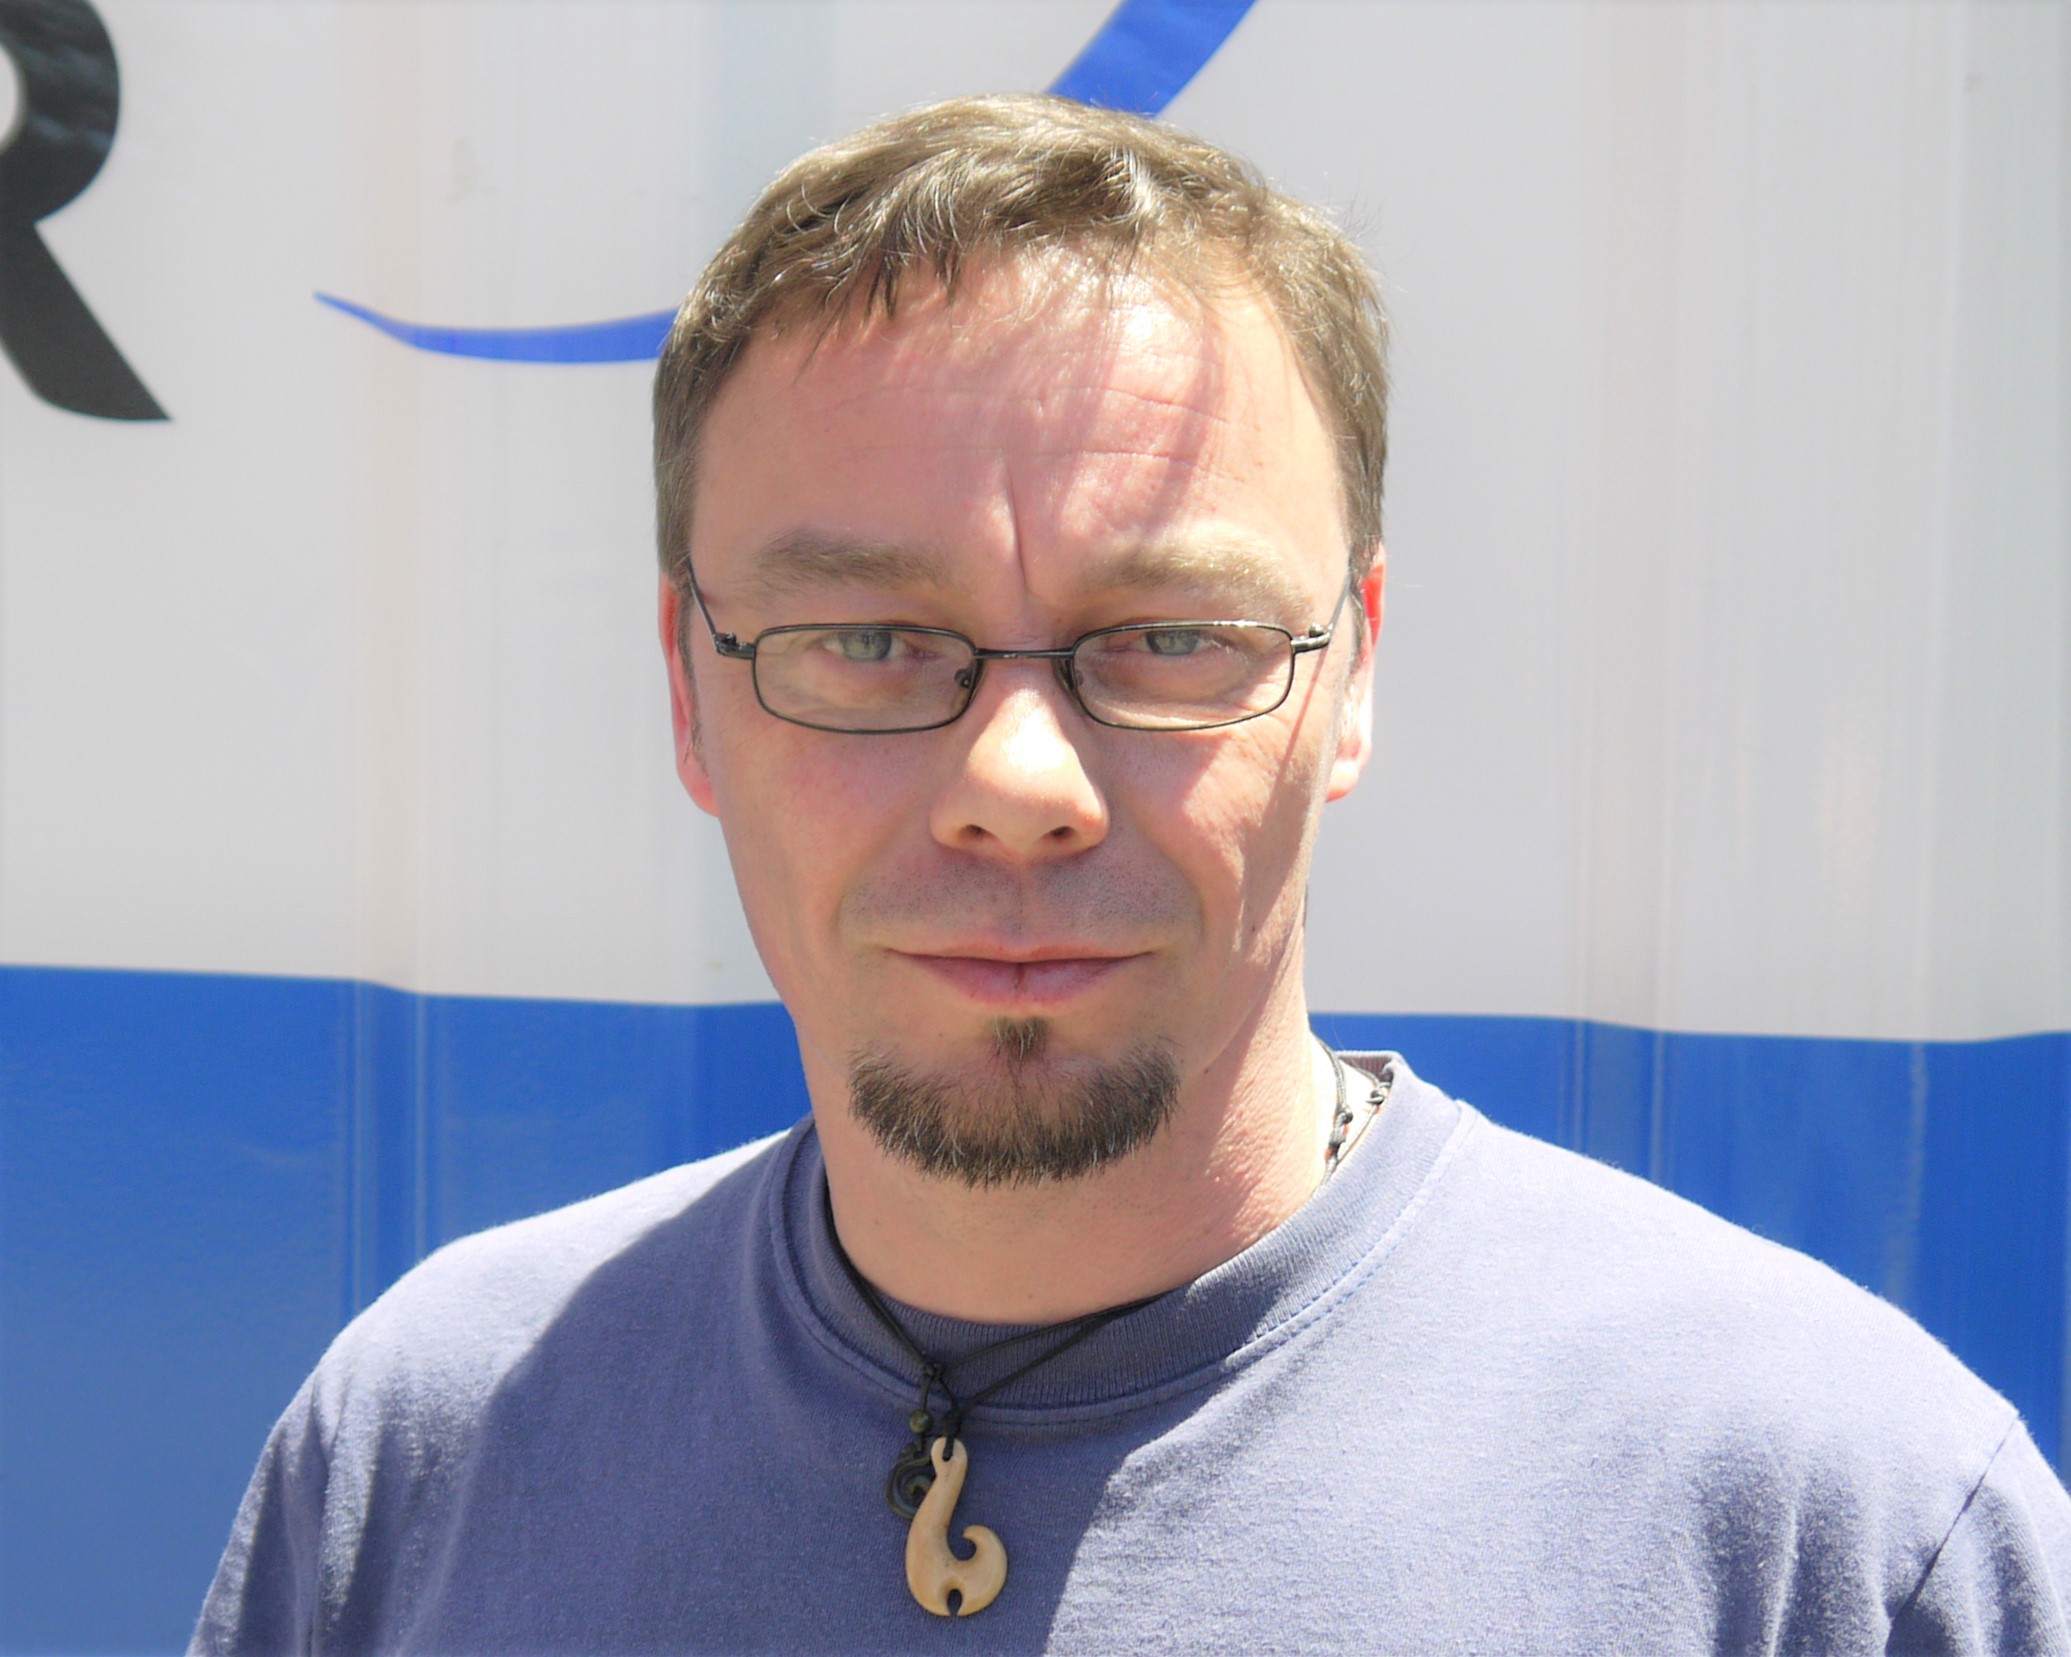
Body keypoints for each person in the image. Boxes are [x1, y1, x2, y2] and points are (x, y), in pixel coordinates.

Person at [193, 94, 2071, 1655]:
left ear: (1353, 671)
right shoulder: (425, 1457)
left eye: (1170, 637)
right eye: (867, 641)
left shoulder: (1828, 1530)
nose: (1018, 785)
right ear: (691, 692)